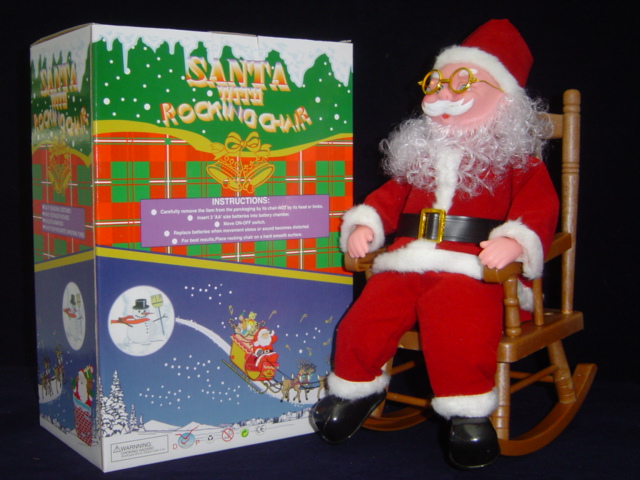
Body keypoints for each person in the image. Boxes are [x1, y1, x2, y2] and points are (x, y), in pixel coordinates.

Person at [311, 19, 559, 469]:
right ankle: (354, 389)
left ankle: (468, 414)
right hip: (406, 261)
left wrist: (515, 241)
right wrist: (366, 225)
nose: (444, 92)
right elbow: (388, 199)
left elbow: (539, 208)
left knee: (458, 326)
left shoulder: (517, 163)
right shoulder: (418, 157)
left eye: (462, 81)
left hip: (475, 269)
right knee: (365, 319)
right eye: (437, 82)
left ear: (505, 100)